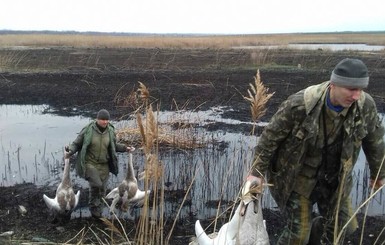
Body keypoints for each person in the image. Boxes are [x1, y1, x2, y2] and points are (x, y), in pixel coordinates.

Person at [247, 58, 385, 244]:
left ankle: (316, 237)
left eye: (360, 90)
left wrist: (378, 173)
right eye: (351, 89)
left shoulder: (364, 105)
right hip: (297, 179)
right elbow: (269, 139)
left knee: (343, 226)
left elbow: (374, 140)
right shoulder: (300, 105)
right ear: (333, 84)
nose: (356, 95)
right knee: (298, 234)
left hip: (336, 180)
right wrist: (256, 173)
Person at [65, 109, 134, 218]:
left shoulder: (110, 131)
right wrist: (70, 150)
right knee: (97, 184)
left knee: (102, 190)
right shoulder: (88, 130)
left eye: (107, 119)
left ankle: (98, 213)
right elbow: (76, 143)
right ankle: (93, 206)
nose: (105, 122)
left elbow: (114, 146)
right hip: (90, 163)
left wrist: (126, 148)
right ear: (97, 119)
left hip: (104, 165)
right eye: (102, 119)